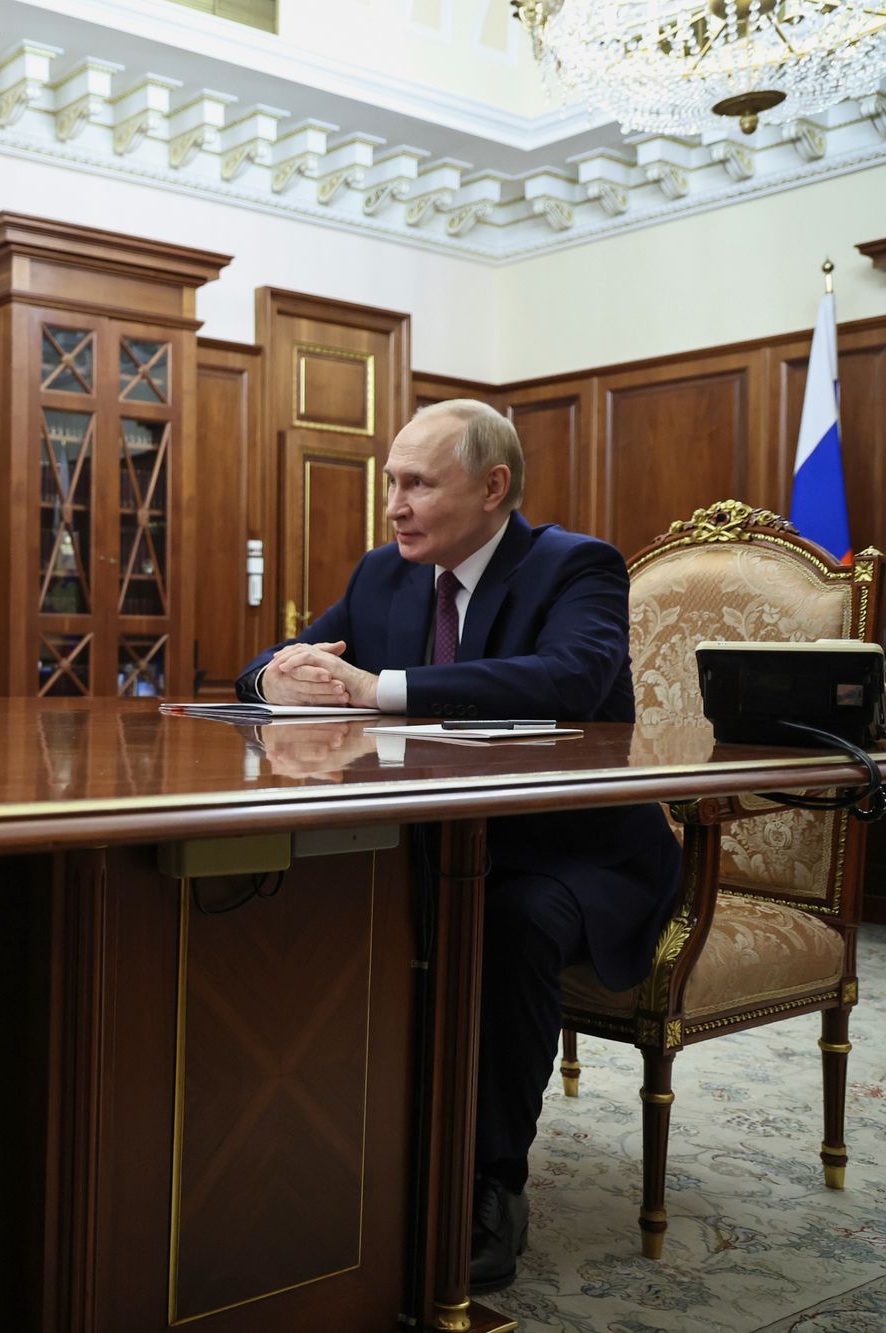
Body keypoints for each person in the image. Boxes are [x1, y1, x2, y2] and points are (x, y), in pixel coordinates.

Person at [236, 398, 679, 1294]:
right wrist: (276, 676)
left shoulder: (575, 566)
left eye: (416, 484)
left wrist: (382, 687)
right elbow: (283, 657)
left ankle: (488, 1182)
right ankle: (344, 1141)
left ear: (492, 486)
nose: (392, 506)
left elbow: (571, 679)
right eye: (390, 483)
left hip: (575, 854)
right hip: (433, 838)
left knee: (508, 919)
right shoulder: (384, 573)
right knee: (320, 887)